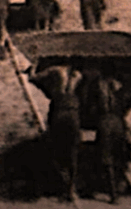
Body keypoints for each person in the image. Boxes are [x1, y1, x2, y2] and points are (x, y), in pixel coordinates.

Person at [29, 65, 83, 202]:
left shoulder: (57, 70)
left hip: (59, 111)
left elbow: (33, 78)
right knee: (73, 153)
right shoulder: (79, 75)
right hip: (73, 113)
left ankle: (60, 180)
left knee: (53, 147)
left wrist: (32, 69)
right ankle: (71, 189)